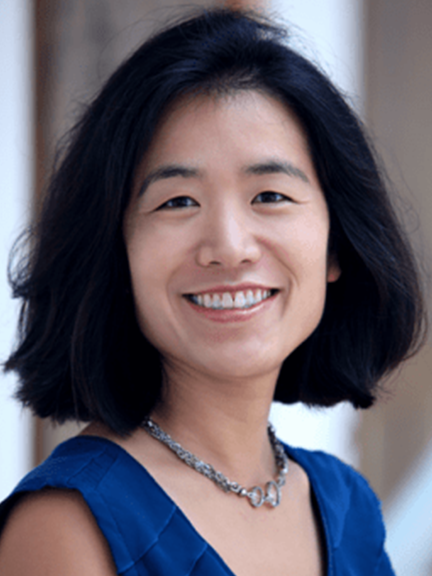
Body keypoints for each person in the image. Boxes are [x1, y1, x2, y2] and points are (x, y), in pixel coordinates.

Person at [0, 7, 426, 575]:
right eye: (177, 202)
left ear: (336, 246)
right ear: (115, 254)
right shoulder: (68, 527)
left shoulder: (347, 508)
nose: (228, 246)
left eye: (270, 195)